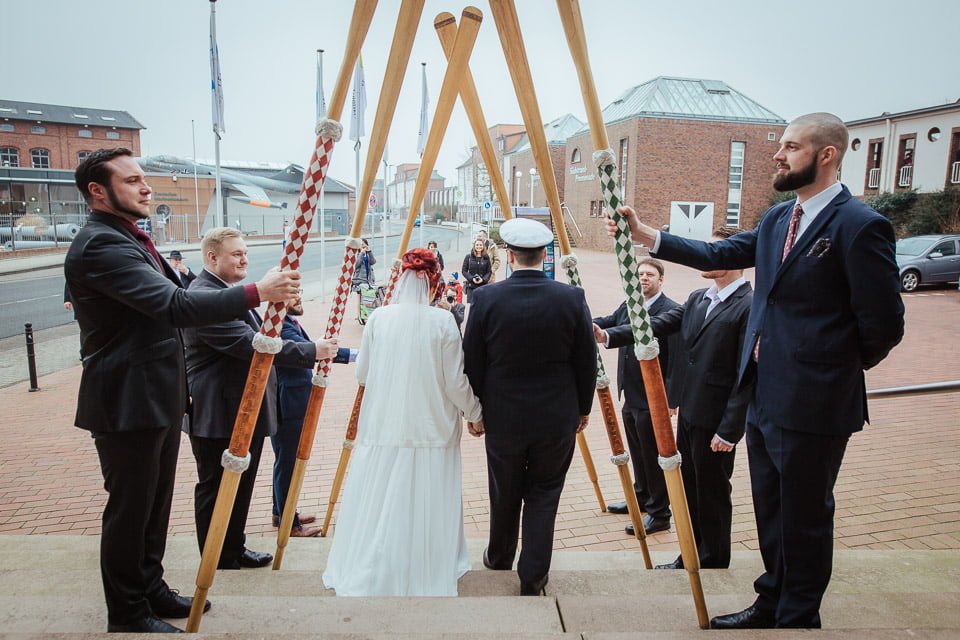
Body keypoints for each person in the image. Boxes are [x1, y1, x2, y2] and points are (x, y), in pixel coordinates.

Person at [611, 112, 904, 629]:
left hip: (815, 402)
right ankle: (771, 598)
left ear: (826, 154)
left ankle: (797, 615)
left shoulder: (860, 225)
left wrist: (826, 369)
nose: (778, 154)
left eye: (791, 146)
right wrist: (648, 234)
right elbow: (719, 251)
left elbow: (883, 325)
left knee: (806, 515)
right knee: (771, 508)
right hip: (762, 396)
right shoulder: (776, 220)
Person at [64, 148, 300, 634]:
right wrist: (259, 291)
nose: (146, 187)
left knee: (154, 506)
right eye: (131, 181)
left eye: (142, 178)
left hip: (157, 397)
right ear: (98, 191)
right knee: (130, 510)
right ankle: (127, 611)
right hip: (127, 400)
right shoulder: (101, 246)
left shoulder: (128, 238)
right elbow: (176, 305)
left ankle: (150, 588)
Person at [322, 248, 482, 596]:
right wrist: (476, 414)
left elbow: (363, 373)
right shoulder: (442, 322)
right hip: (431, 427)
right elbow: (455, 382)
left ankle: (378, 562)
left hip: (384, 424)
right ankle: (423, 563)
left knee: (381, 497)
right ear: (434, 282)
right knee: (426, 499)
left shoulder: (379, 318)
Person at [183, 227, 339, 571]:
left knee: (240, 486)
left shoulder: (226, 292)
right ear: (212, 257)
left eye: (245, 253)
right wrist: (313, 350)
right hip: (219, 411)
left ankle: (234, 547)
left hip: (244, 407)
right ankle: (217, 556)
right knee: (216, 485)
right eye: (236, 253)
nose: (244, 259)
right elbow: (253, 344)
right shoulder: (205, 296)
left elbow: (260, 328)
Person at [463, 217, 596, 596]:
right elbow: (585, 359)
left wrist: (475, 412)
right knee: (545, 492)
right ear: (544, 254)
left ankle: (500, 555)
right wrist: (582, 408)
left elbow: (473, 359)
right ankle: (533, 576)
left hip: (502, 416)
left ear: (509, 255)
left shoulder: (486, 298)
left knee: (504, 488)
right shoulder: (572, 297)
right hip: (556, 416)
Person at [647, 226, 754, 570]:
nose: (707, 257)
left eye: (717, 251)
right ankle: (691, 555)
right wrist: (610, 334)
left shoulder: (748, 306)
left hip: (716, 420)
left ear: (736, 258)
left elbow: (746, 375)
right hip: (690, 414)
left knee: (712, 493)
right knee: (691, 489)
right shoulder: (699, 297)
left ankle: (714, 559)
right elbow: (662, 323)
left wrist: (730, 430)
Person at [591, 257, 678, 536]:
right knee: (638, 452)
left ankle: (660, 512)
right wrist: (581, 320)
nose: (643, 279)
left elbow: (676, 359)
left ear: (661, 280)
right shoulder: (630, 305)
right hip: (630, 394)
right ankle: (641, 498)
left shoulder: (670, 311)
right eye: (640, 274)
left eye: (649, 275)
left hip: (654, 398)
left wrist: (671, 399)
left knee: (654, 455)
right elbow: (607, 322)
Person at [273, 294, 355, 537]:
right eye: (292, 293)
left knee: (284, 459)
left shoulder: (288, 321)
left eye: (300, 291)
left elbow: (312, 348)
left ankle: (282, 511)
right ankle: (289, 524)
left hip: (293, 399)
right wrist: (355, 354)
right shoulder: (280, 324)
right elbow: (307, 352)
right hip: (289, 402)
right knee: (287, 461)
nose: (299, 297)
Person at [461, 238, 491, 303]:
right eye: (477, 245)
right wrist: (472, 279)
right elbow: (464, 271)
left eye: (480, 245)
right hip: (471, 286)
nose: (479, 246)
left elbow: (489, 271)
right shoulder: (468, 257)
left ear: (483, 246)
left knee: (482, 306)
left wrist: (483, 280)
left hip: (483, 286)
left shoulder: (486, 257)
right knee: (472, 307)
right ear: (474, 246)